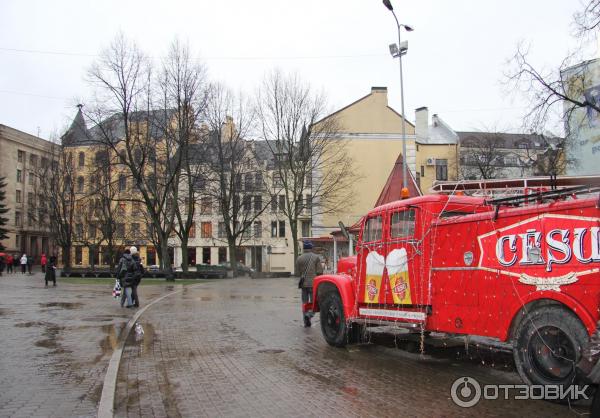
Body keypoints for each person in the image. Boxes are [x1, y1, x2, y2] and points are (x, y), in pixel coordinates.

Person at [296, 241, 323, 327]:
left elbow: (298, 272)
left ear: (304, 248)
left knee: (305, 303)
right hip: (313, 284)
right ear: (311, 248)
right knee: (315, 303)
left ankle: (306, 322)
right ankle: (310, 315)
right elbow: (319, 272)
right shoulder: (316, 257)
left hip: (303, 284)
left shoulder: (299, 258)